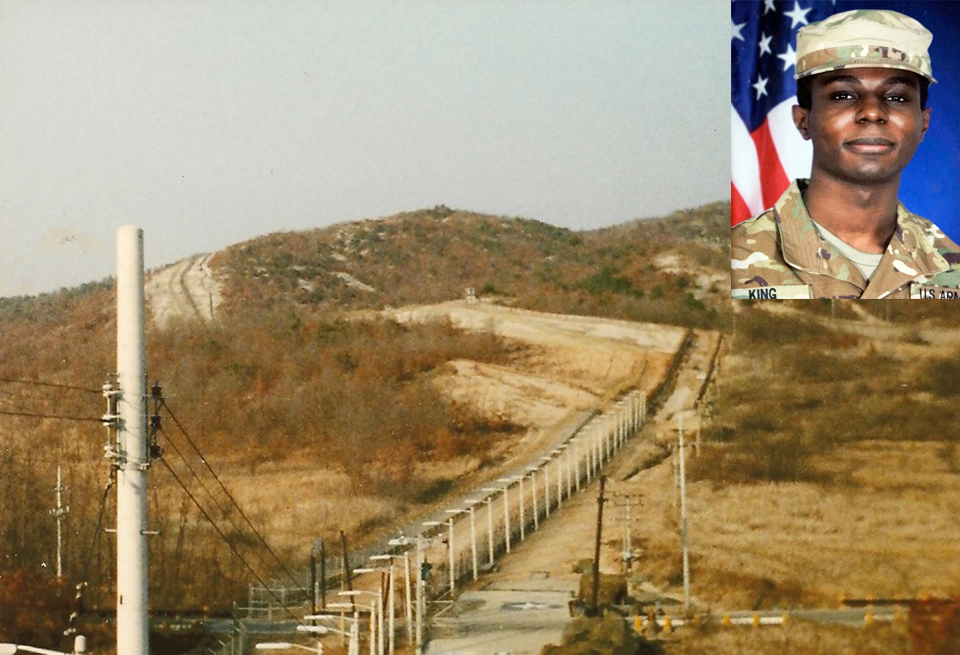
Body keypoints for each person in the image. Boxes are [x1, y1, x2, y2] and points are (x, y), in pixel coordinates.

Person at [731, 9, 960, 300]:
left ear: (923, 123)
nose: (873, 112)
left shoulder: (952, 267)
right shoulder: (730, 262)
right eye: (843, 95)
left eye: (897, 97)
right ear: (804, 121)